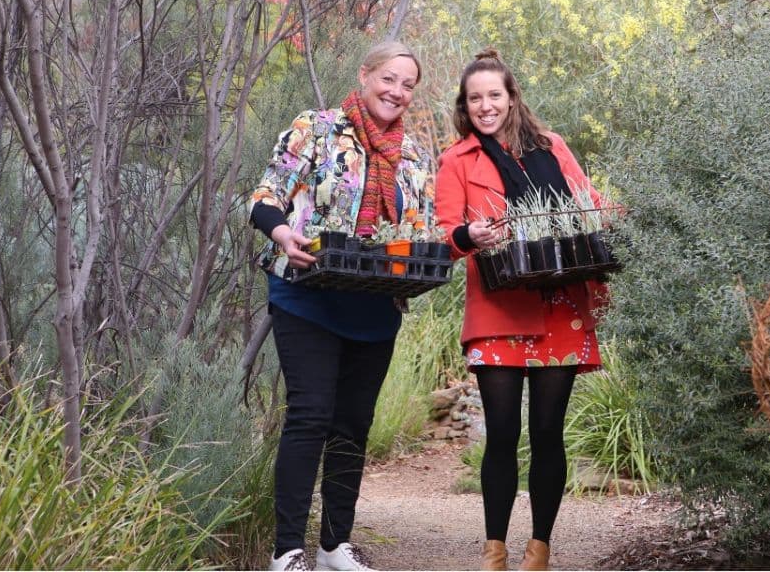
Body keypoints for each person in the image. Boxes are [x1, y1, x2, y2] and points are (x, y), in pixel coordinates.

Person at [249, 41, 435, 572]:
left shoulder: (415, 156)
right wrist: (284, 234)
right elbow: (265, 195)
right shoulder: (317, 128)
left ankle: (334, 547)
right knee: (310, 416)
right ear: (364, 74)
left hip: (373, 310)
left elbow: (418, 231)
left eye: (407, 86)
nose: (397, 92)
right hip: (307, 296)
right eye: (389, 79)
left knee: (353, 425)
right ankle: (286, 552)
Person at [435, 49, 610, 572]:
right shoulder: (456, 161)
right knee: (504, 431)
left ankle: (539, 548)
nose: (486, 106)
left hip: (560, 308)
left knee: (548, 433)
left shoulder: (552, 147)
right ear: (465, 108)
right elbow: (443, 236)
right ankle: (494, 550)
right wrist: (471, 234)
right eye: (475, 98)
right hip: (499, 309)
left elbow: (589, 203)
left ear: (511, 97)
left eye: (495, 95)